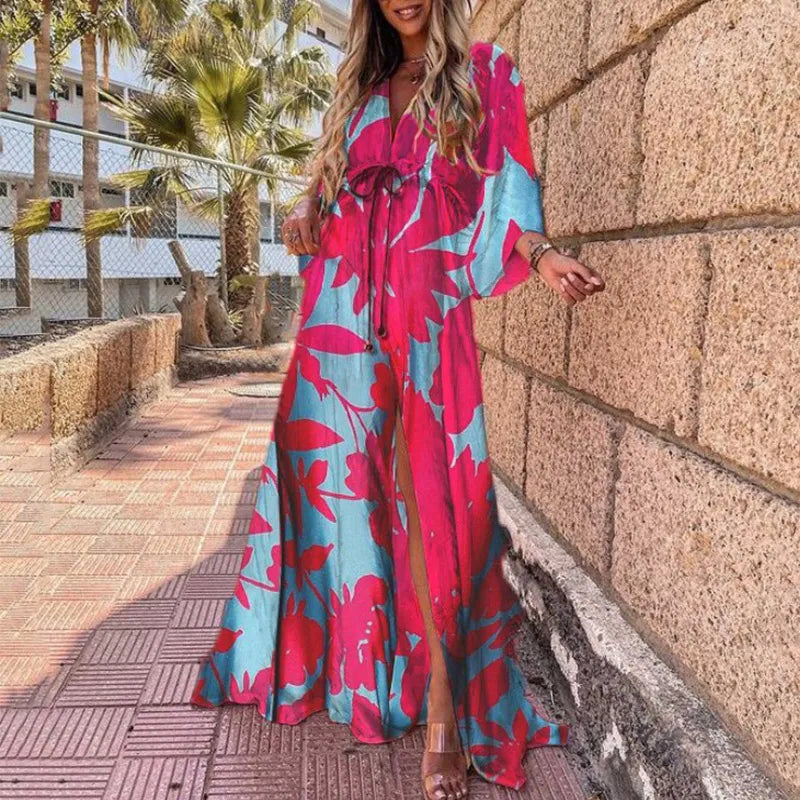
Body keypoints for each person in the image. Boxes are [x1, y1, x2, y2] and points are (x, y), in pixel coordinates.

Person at [192, 1, 606, 798]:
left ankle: (447, 715)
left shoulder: (486, 74)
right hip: (343, 304)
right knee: (338, 489)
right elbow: (323, 189)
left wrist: (540, 253)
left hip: (428, 308)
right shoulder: (360, 85)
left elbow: (505, 185)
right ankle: (353, 666)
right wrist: (304, 209)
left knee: (435, 498)